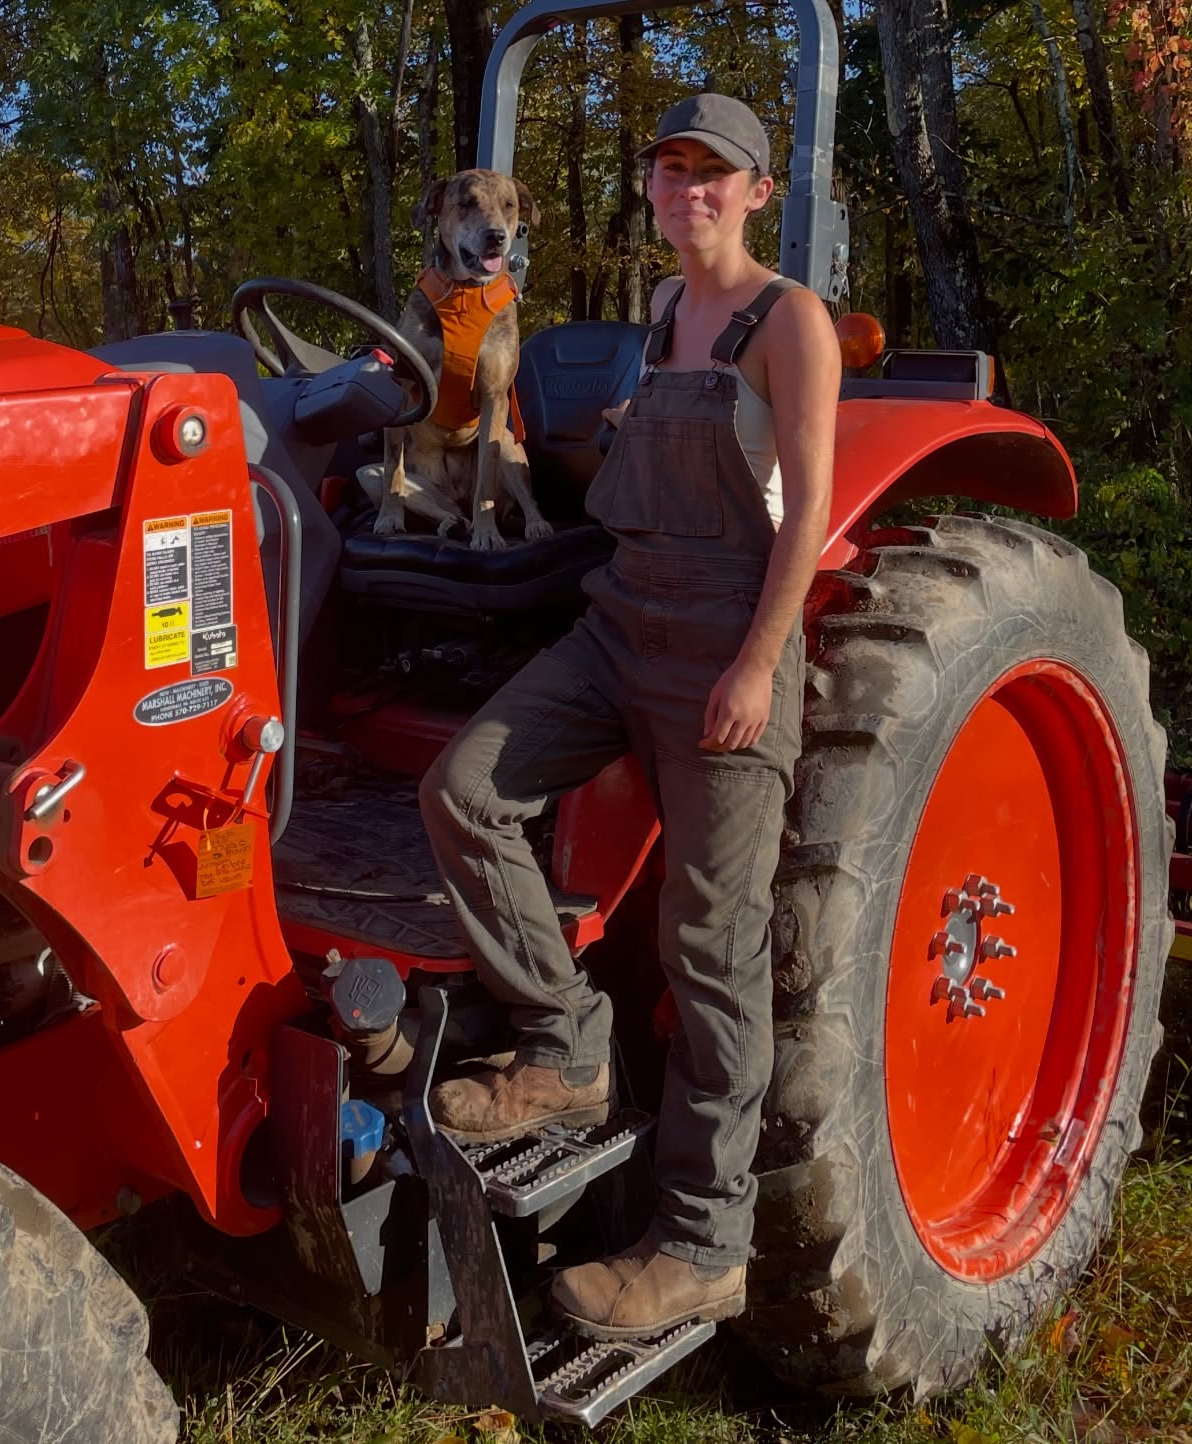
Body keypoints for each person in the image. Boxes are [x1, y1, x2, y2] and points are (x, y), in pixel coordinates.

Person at [417, 92, 841, 1338]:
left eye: (712, 172)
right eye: (670, 169)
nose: (686, 188)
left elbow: (806, 513)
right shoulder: (663, 312)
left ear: (758, 191)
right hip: (619, 623)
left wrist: (757, 666)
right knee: (463, 787)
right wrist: (616, 430)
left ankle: (704, 1241)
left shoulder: (790, 323)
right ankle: (566, 1037)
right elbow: (649, 449)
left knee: (713, 949)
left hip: (721, 645)